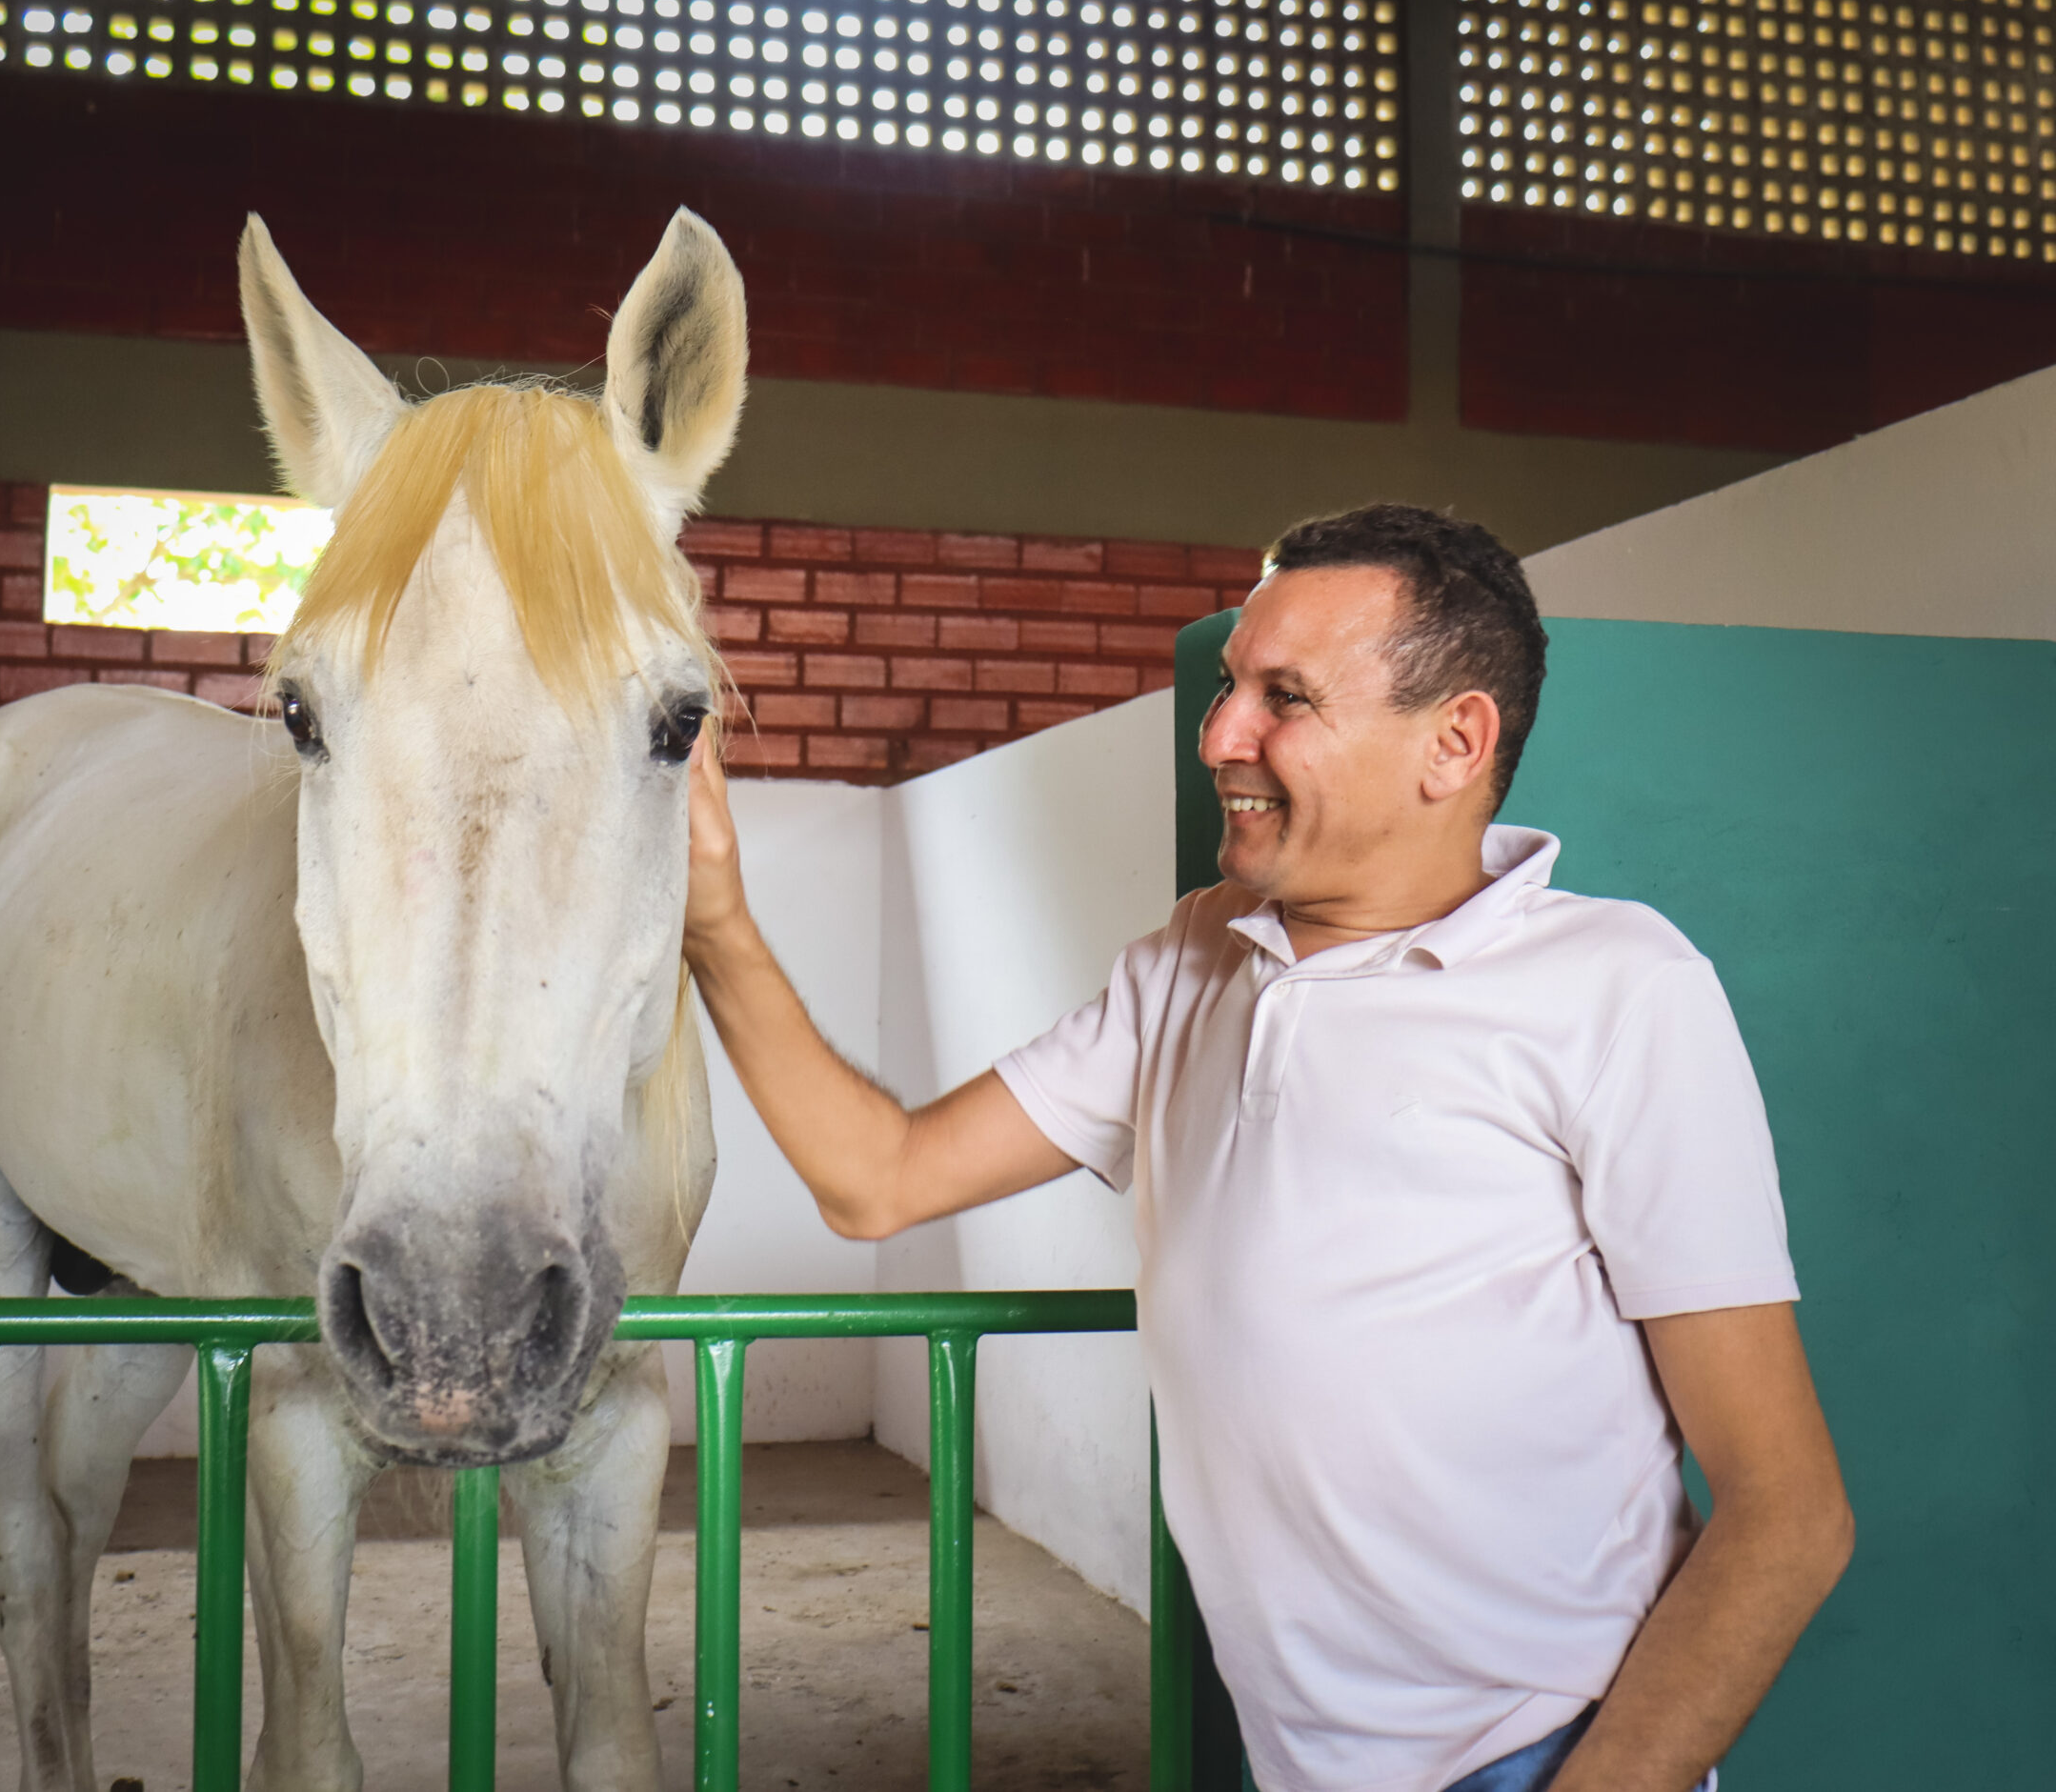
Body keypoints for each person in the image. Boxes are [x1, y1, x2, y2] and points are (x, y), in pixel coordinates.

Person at [679, 503, 1854, 1792]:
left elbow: (1787, 1514)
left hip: (1543, 1757)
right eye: (1232, 684)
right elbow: (879, 1179)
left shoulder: (1620, 987)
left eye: (1282, 696)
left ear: (1453, 742)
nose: (1220, 733)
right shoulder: (1186, 967)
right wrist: (720, 922)